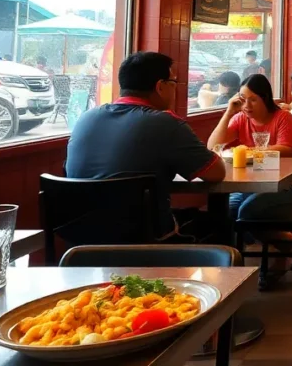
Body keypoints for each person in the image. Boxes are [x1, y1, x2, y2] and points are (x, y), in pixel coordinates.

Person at [66, 52, 224, 240]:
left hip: (81, 237)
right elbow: (216, 173)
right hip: (144, 238)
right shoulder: (166, 124)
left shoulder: (86, 118)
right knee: (220, 223)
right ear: (160, 86)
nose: (176, 89)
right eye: (173, 83)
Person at [207, 74, 292, 227]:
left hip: (284, 185)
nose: (247, 106)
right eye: (243, 99)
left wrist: (250, 151)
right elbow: (213, 146)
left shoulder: (283, 117)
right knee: (226, 211)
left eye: (253, 100)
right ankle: (234, 250)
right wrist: (229, 112)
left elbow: (288, 149)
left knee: (246, 211)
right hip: (248, 184)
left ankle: (286, 240)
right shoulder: (240, 118)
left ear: (265, 98)